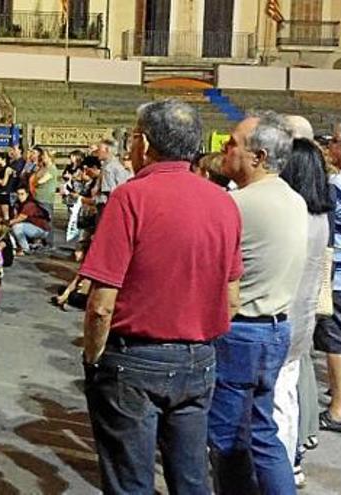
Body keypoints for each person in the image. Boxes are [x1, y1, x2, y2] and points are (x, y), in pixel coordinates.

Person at [79, 100, 243, 495]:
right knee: (190, 479)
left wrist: (92, 356)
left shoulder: (131, 197)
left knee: (129, 479)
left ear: (146, 142)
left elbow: (101, 304)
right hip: (199, 357)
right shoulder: (223, 202)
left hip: (134, 358)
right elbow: (232, 297)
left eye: (134, 138)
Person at [212, 111, 307, 495]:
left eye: (233, 143)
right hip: (276, 328)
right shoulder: (294, 199)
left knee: (227, 440)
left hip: (241, 331)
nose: (225, 148)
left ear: (259, 156)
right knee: (262, 430)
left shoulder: (239, 204)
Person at [274, 138, 333, 488]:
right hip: (304, 319)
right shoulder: (321, 216)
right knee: (289, 394)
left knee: (278, 399)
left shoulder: (292, 215)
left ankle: (280, 467)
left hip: (282, 316)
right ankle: (293, 460)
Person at [315, 117, 341, 435]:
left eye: (332, 142)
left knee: (340, 343)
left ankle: (339, 411)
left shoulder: (340, 184)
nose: (329, 147)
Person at [9, 187, 49, 255]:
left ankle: (25, 249)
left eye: (22, 194)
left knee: (16, 227)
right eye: (18, 194)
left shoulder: (30, 204)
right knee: (13, 228)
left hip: (41, 230)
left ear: (27, 194)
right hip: (32, 227)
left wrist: (6, 223)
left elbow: (20, 218)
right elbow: (16, 217)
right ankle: (18, 247)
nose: (20, 196)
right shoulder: (19, 204)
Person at [96, 138, 132, 214]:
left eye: (99, 149)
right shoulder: (117, 164)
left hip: (107, 206)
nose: (97, 152)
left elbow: (108, 191)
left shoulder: (109, 168)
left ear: (107, 150)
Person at [33, 148, 60, 247]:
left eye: (44, 156)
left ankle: (49, 242)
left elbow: (40, 181)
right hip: (38, 196)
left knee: (47, 220)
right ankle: (39, 240)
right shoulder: (43, 168)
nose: (42, 158)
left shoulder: (52, 169)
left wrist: (35, 181)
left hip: (46, 198)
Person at [0, 153, 14, 224]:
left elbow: (4, 182)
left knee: (5, 214)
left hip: (5, 193)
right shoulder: (0, 168)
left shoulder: (7, 169)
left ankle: (6, 229)